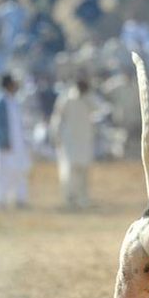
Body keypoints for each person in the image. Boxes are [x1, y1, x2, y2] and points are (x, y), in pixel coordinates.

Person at [0, 74, 31, 209]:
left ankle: (19, 199)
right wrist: (3, 142)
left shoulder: (13, 101)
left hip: (16, 145)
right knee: (0, 174)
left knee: (18, 172)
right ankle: (0, 201)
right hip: (3, 147)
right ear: (8, 84)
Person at [50, 78, 95, 209]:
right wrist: (55, 135)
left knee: (84, 170)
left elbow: (99, 108)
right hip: (69, 140)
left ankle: (83, 198)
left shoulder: (89, 99)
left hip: (84, 140)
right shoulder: (67, 98)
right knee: (69, 170)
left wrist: (88, 97)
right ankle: (69, 198)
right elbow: (57, 117)